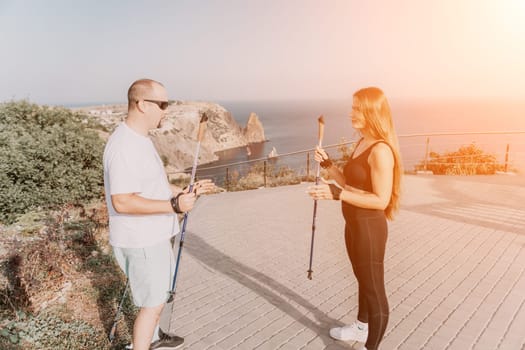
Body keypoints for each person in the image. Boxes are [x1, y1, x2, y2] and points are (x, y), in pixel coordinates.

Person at [103, 78, 214, 350]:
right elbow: (123, 202)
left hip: (154, 235)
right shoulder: (124, 147)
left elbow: (155, 187)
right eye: (163, 104)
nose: (167, 110)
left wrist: (183, 191)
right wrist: (173, 207)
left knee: (159, 297)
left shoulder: (141, 140)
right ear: (142, 104)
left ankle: (153, 337)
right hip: (141, 240)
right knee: (151, 306)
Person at [308, 87, 402, 350]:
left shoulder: (381, 150)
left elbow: (380, 200)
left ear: (373, 112)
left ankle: (371, 346)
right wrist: (328, 165)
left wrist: (338, 195)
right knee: (363, 279)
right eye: (352, 107)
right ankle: (361, 328)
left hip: (370, 229)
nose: (352, 114)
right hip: (354, 225)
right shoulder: (363, 141)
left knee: (375, 292)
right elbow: (351, 183)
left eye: (358, 109)